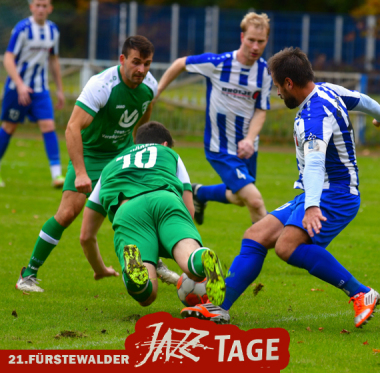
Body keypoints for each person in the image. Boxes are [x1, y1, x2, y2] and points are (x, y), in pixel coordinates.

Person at [181, 47, 380, 326]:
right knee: (256, 234)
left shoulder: (314, 118)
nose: (277, 93)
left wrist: (311, 207)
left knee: (287, 247)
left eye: (277, 86)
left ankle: (361, 293)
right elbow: (362, 100)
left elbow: (314, 164)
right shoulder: (327, 90)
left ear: (289, 83)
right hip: (319, 191)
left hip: (335, 195)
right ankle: (219, 307)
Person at [14, 36, 176, 292]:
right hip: (89, 155)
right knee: (67, 214)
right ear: (122, 60)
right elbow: (72, 128)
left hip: (120, 156)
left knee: (131, 211)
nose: (141, 70)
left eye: (147, 64)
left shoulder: (149, 87)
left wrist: (137, 154)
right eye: (136, 63)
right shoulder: (101, 85)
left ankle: (150, 263)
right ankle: (28, 275)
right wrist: (80, 172)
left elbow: (142, 124)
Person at [79, 121, 226, 306]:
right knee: (192, 265)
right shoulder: (168, 154)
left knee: (147, 296)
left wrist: (100, 269)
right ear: (165, 144)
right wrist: (173, 239)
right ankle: (200, 257)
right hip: (166, 200)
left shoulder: (109, 167)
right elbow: (189, 209)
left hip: (129, 211)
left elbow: (86, 235)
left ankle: (136, 272)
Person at [156, 12, 272, 225]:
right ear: (242, 37)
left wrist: (249, 139)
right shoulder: (219, 63)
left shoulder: (264, 72)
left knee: (239, 198)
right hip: (220, 147)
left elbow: (261, 110)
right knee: (255, 201)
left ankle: (199, 193)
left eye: (261, 41)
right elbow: (180, 63)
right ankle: (260, 251)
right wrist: (157, 92)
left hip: (247, 148)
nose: (256, 46)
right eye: (251, 40)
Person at [1, 0, 65, 188]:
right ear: (31, 7)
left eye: (44, 6)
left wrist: (60, 89)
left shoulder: (53, 30)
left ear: (50, 9)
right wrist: (20, 85)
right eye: (37, 5)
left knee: (48, 125)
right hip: (17, 89)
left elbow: (54, 59)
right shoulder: (22, 29)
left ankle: (57, 176)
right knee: (9, 127)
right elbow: (8, 58)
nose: (41, 9)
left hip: (40, 90)